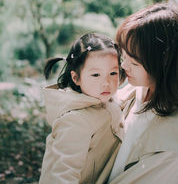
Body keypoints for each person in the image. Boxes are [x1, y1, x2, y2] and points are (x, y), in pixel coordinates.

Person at [97, 2, 178, 184]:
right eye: (123, 56)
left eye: (134, 63)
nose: (123, 65)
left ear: (164, 65)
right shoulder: (142, 87)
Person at [39, 33, 125, 184]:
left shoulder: (107, 100)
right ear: (75, 78)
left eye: (113, 73)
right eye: (96, 75)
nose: (106, 82)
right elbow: (62, 174)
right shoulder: (74, 121)